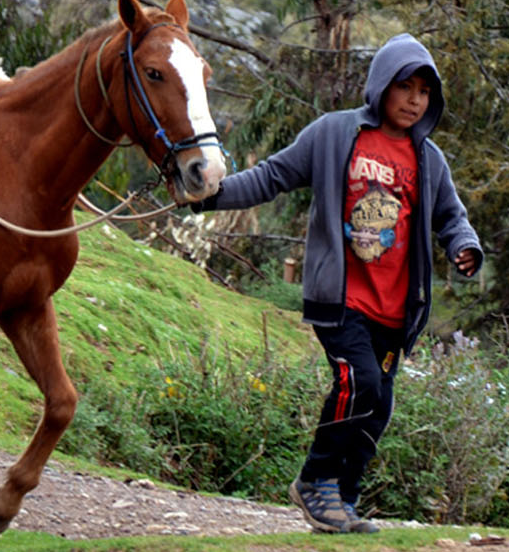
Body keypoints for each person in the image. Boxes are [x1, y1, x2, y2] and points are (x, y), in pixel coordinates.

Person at [195, 32, 483, 534]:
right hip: (342, 297)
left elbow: (451, 218)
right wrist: (207, 196)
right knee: (359, 382)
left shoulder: (429, 160)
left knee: (379, 405)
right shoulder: (333, 134)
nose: (414, 100)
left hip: (397, 311)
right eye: (405, 87)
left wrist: (465, 247)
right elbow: (270, 177)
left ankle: (342, 502)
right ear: (381, 86)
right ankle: (315, 481)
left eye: (424, 92)